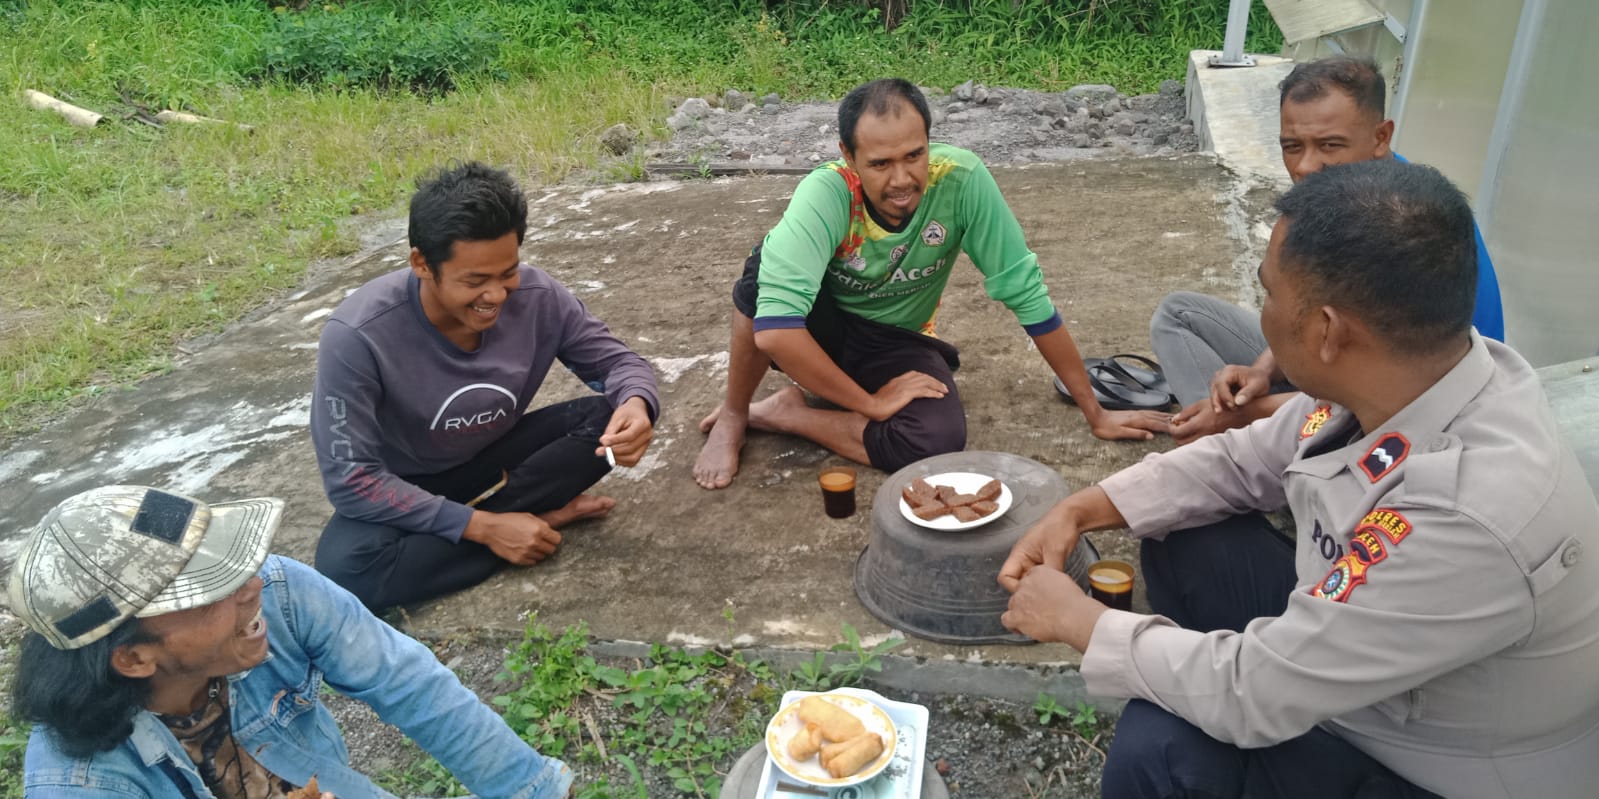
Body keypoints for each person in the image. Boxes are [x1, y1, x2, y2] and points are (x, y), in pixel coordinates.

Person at [999, 160, 1599, 798]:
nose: (1261, 314)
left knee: (1161, 747)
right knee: (1184, 537)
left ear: (1328, 330)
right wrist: (1083, 509)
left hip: (1438, 764)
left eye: (1268, 293)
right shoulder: (1410, 372)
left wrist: (1082, 623)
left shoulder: (1471, 513)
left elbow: (1253, 692)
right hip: (1380, 670)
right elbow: (1242, 459)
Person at [693, 78, 1169, 489]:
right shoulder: (828, 192)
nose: (902, 179)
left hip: (896, 339)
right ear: (849, 156)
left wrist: (1096, 411)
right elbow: (776, 329)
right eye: (880, 164)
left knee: (936, 441)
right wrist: (871, 405)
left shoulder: (961, 182)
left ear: (929, 142)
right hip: (825, 327)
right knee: (765, 270)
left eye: (914, 155)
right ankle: (736, 414)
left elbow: (1028, 297)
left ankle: (788, 413)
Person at [8, 484, 574, 799]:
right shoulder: (78, 786)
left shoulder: (275, 591)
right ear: (133, 658)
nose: (252, 585)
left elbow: (414, 687)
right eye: (210, 593)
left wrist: (536, 791)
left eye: (227, 563)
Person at [311, 162, 659, 609]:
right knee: (348, 573)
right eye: (474, 281)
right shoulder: (358, 336)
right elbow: (351, 478)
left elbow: (619, 363)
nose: (495, 295)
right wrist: (484, 528)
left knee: (610, 418)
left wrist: (636, 402)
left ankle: (507, 525)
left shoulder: (538, 296)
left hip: (494, 456)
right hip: (405, 480)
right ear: (422, 263)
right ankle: (529, 521)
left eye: (507, 272)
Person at [1150, 55, 1507, 444]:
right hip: (1347, 371)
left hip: (1422, 418)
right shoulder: (1344, 195)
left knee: (1247, 427)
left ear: (1380, 137)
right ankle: (1223, 443)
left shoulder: (1398, 225)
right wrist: (1261, 373)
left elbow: (1374, 396)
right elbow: (1304, 316)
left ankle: (1230, 453)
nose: (1305, 166)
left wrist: (1245, 415)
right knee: (1179, 314)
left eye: (1329, 145)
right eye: (1292, 146)